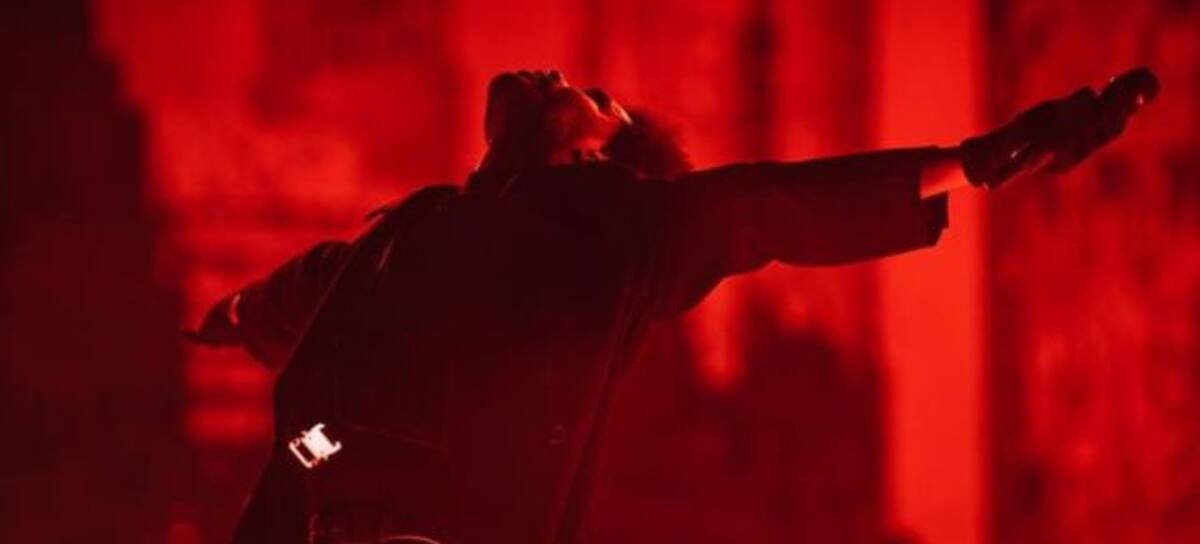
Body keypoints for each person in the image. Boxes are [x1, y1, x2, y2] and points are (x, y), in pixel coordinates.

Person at [189, 68, 1158, 543]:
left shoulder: (615, 234)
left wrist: (978, 162)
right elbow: (318, 282)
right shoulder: (421, 221)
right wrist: (240, 309)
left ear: (593, 152)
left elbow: (764, 207)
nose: (557, 76)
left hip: (435, 519)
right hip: (325, 473)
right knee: (311, 442)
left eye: (592, 94)